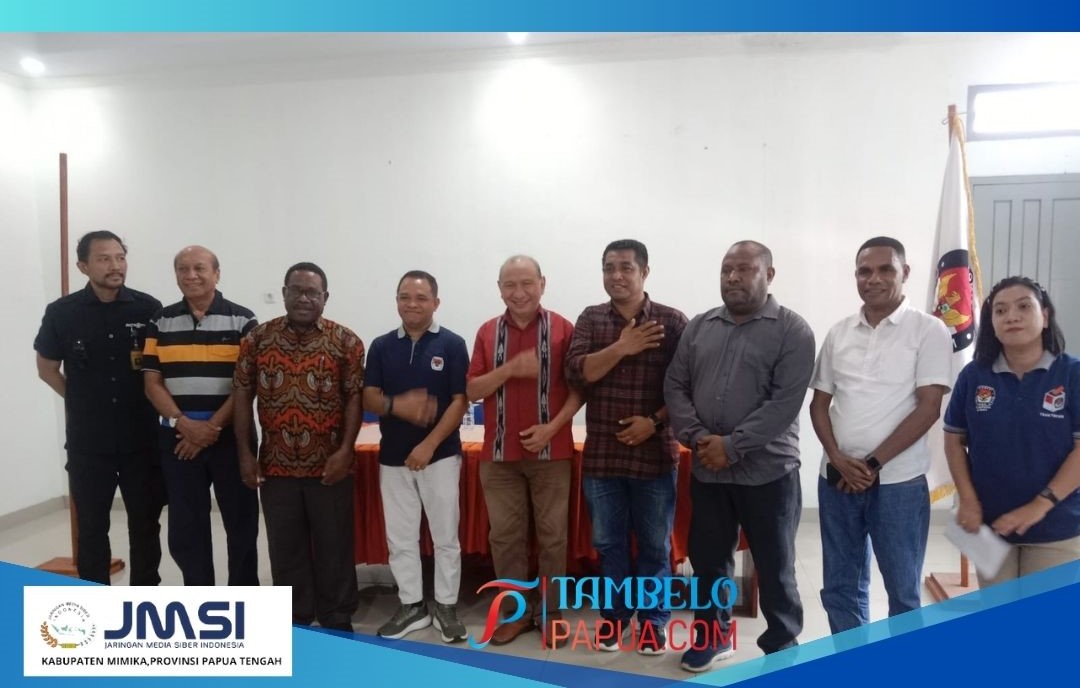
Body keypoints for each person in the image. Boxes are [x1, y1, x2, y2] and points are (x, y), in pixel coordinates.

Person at [665, 240, 815, 671]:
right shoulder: (699, 326)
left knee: (775, 565)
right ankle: (713, 636)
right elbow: (675, 386)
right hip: (708, 471)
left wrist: (731, 447)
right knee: (709, 561)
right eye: (726, 269)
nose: (732, 277)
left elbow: (784, 404)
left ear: (769, 274)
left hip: (768, 473)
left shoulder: (792, 330)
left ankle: (782, 645)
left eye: (744, 269)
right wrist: (699, 439)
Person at [809, 236, 951, 633]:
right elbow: (819, 405)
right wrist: (838, 458)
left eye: (886, 269)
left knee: (902, 590)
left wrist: (871, 464)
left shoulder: (929, 330)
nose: (873, 279)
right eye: (864, 271)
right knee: (841, 586)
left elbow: (928, 408)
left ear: (905, 273)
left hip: (898, 484)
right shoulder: (839, 333)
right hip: (836, 479)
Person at [564, 239, 687, 656]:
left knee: (654, 546)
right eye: (609, 268)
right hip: (603, 457)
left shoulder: (672, 321)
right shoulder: (591, 318)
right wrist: (622, 346)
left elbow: (687, 387)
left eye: (626, 268)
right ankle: (614, 619)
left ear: (644, 272)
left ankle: (653, 623)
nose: (616, 275)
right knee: (608, 543)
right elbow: (578, 373)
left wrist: (653, 422)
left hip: (654, 456)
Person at [233, 262, 363, 630]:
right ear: (284, 293)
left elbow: (354, 398)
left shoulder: (346, 341)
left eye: (312, 292)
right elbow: (241, 395)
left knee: (334, 546)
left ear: (325, 297)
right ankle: (296, 617)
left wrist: (346, 451)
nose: (304, 298)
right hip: (276, 465)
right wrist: (245, 453)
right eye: (297, 290)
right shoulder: (257, 340)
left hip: (330, 465)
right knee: (285, 548)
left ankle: (337, 616)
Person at [34, 230, 166, 585]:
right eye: (104, 259)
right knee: (92, 528)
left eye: (120, 257)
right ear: (83, 266)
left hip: (141, 440)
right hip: (89, 444)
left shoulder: (148, 308)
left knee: (146, 524)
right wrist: (80, 401)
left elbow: (161, 369)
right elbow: (47, 368)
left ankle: (144, 596)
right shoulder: (62, 313)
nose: (115, 266)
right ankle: (94, 598)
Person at [465, 255, 582, 647]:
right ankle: (515, 614)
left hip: (552, 453)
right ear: (499, 289)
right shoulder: (487, 332)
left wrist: (552, 428)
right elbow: (472, 390)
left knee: (553, 538)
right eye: (510, 285)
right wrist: (510, 368)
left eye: (527, 283)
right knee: (505, 538)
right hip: (498, 457)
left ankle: (551, 612)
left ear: (542, 284)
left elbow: (580, 389)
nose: (519, 292)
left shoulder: (563, 329)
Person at [944, 276, 1080, 586]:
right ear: (991, 323)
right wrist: (968, 499)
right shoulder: (974, 376)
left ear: (1045, 316)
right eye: (1000, 310)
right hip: (989, 525)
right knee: (998, 611)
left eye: (1023, 307)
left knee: (1041, 615)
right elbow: (953, 440)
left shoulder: (1072, 374)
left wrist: (1039, 506)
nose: (1012, 317)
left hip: (1056, 525)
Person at [142, 245, 260, 586]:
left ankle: (244, 597)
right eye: (183, 269)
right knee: (186, 527)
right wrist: (185, 424)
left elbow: (247, 385)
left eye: (199, 268)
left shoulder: (243, 320)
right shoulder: (160, 321)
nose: (191, 275)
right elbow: (152, 383)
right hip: (179, 439)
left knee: (241, 523)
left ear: (216, 274)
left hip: (231, 437)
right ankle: (199, 596)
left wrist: (210, 427)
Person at [362, 270, 470, 643]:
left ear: (435, 303)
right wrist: (398, 406)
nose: (412, 304)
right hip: (393, 458)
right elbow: (369, 395)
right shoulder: (380, 346)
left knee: (445, 537)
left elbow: (460, 401)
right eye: (404, 297)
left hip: (440, 457)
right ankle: (412, 606)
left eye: (421, 298)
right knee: (401, 538)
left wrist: (428, 445)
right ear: (396, 301)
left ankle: (446, 606)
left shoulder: (452, 344)